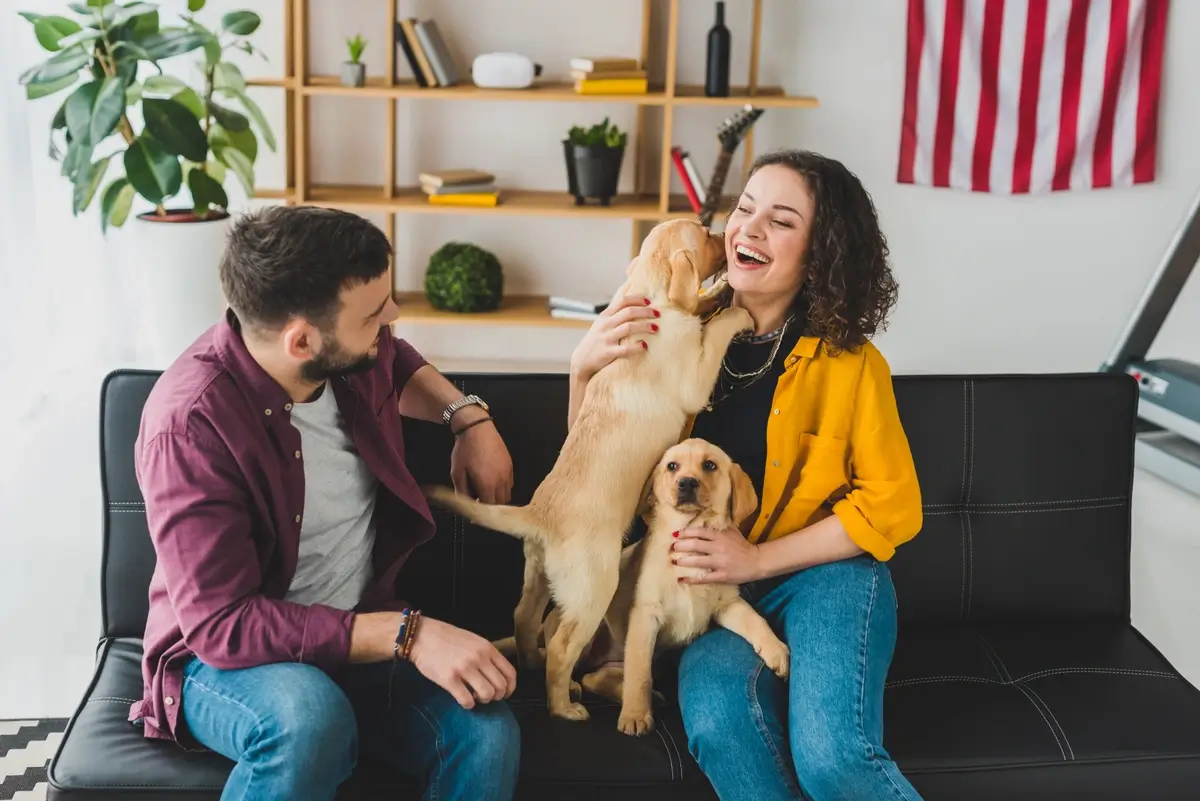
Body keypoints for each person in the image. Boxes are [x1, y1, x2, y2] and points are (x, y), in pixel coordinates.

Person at [129, 206, 521, 801]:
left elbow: (397, 354)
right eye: (374, 313)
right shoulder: (189, 428)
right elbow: (221, 625)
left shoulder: (348, 357)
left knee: (485, 730)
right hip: (225, 663)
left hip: (361, 636)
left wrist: (467, 418)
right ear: (303, 340)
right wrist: (409, 635)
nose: (392, 316)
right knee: (310, 719)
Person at [568, 150, 924, 800]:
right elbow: (600, 486)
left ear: (820, 253)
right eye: (746, 208)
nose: (748, 229)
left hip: (827, 579)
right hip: (713, 602)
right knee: (721, 724)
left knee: (833, 757)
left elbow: (892, 508)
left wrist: (756, 557)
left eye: (781, 220)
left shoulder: (853, 364)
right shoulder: (673, 330)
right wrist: (583, 372)